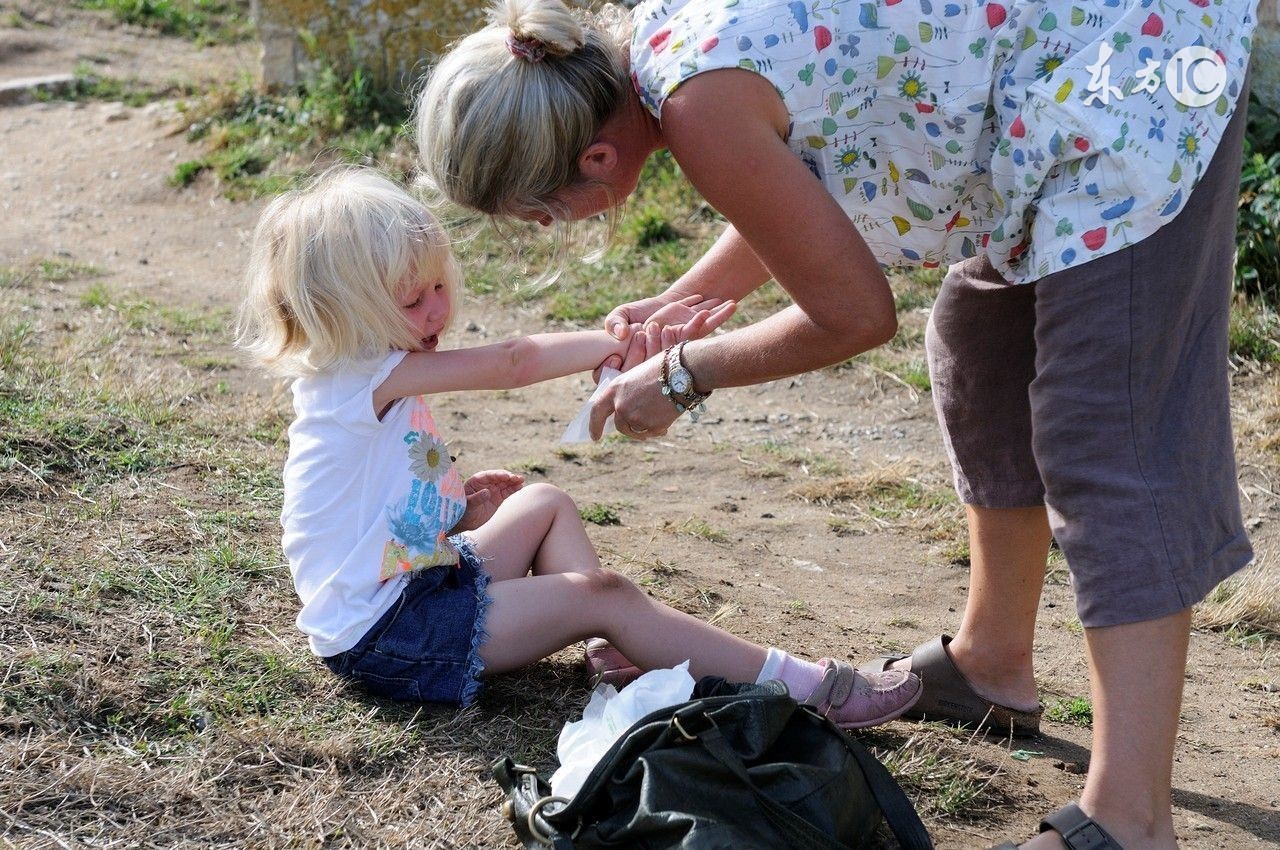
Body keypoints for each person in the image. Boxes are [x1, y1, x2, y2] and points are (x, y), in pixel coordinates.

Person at [415, 0, 1258, 846]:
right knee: (980, 341)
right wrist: (685, 301)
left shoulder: (696, 106)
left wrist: (684, 374)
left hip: (1133, 75)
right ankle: (991, 664)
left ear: (595, 156)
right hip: (1053, 84)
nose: (565, 228)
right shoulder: (659, 53)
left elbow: (855, 315)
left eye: (547, 214)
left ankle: (1129, 818)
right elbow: (796, 174)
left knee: (1103, 430)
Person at [235, 166, 922, 727]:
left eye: (439, 286)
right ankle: (806, 687)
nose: (438, 311)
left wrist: (461, 510)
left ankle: (613, 652)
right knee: (605, 591)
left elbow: (358, 519)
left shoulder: (366, 377)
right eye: (414, 301)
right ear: (341, 313)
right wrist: (617, 345)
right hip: (392, 636)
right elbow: (512, 362)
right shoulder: (360, 378)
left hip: (416, 591)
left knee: (545, 502)